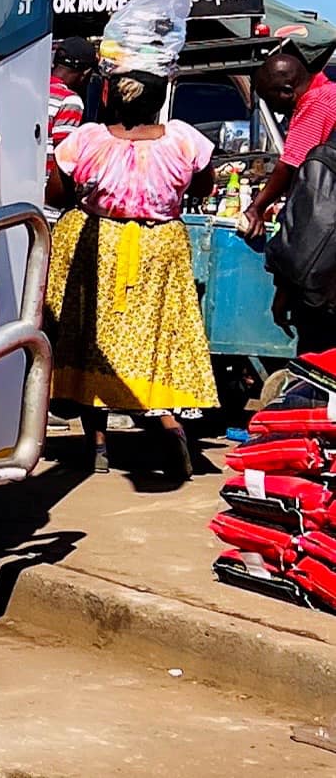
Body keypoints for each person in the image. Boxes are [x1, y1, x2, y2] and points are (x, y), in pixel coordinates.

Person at [46, 66, 218, 479]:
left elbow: (56, 192)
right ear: (160, 101)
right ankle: (169, 426)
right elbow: (203, 187)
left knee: (93, 342)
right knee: (154, 339)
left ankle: (97, 444)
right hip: (159, 248)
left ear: (110, 98)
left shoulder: (87, 140)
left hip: (98, 244)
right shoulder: (182, 139)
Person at [243, 40, 336, 352]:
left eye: (271, 100)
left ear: (286, 91)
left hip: (326, 269)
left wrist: (257, 207)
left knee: (317, 350)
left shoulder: (317, 103)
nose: (276, 110)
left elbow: (290, 166)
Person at [48, 36, 96, 173]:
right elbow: (63, 156)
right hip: (45, 181)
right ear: (85, 73)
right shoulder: (69, 100)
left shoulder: (34, 88)